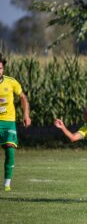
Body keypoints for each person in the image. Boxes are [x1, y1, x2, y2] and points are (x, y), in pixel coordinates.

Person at [0, 54, 31, 191]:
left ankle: (7, 183)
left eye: (0, 68)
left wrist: (26, 115)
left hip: (9, 122)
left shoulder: (11, 82)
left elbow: (23, 97)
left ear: (3, 69)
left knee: (10, 150)